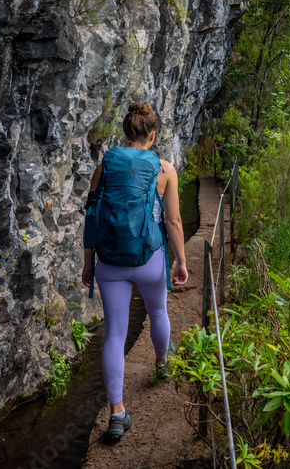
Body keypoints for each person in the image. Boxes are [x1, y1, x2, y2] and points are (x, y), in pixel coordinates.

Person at [80, 101, 189, 441]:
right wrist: (181, 262)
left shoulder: (105, 167)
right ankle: (161, 365)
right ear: (153, 135)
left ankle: (117, 413)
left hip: (109, 262)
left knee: (114, 334)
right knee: (157, 311)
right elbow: (172, 221)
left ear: (126, 132)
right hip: (148, 261)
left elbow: (92, 216)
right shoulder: (164, 169)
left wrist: (88, 263)